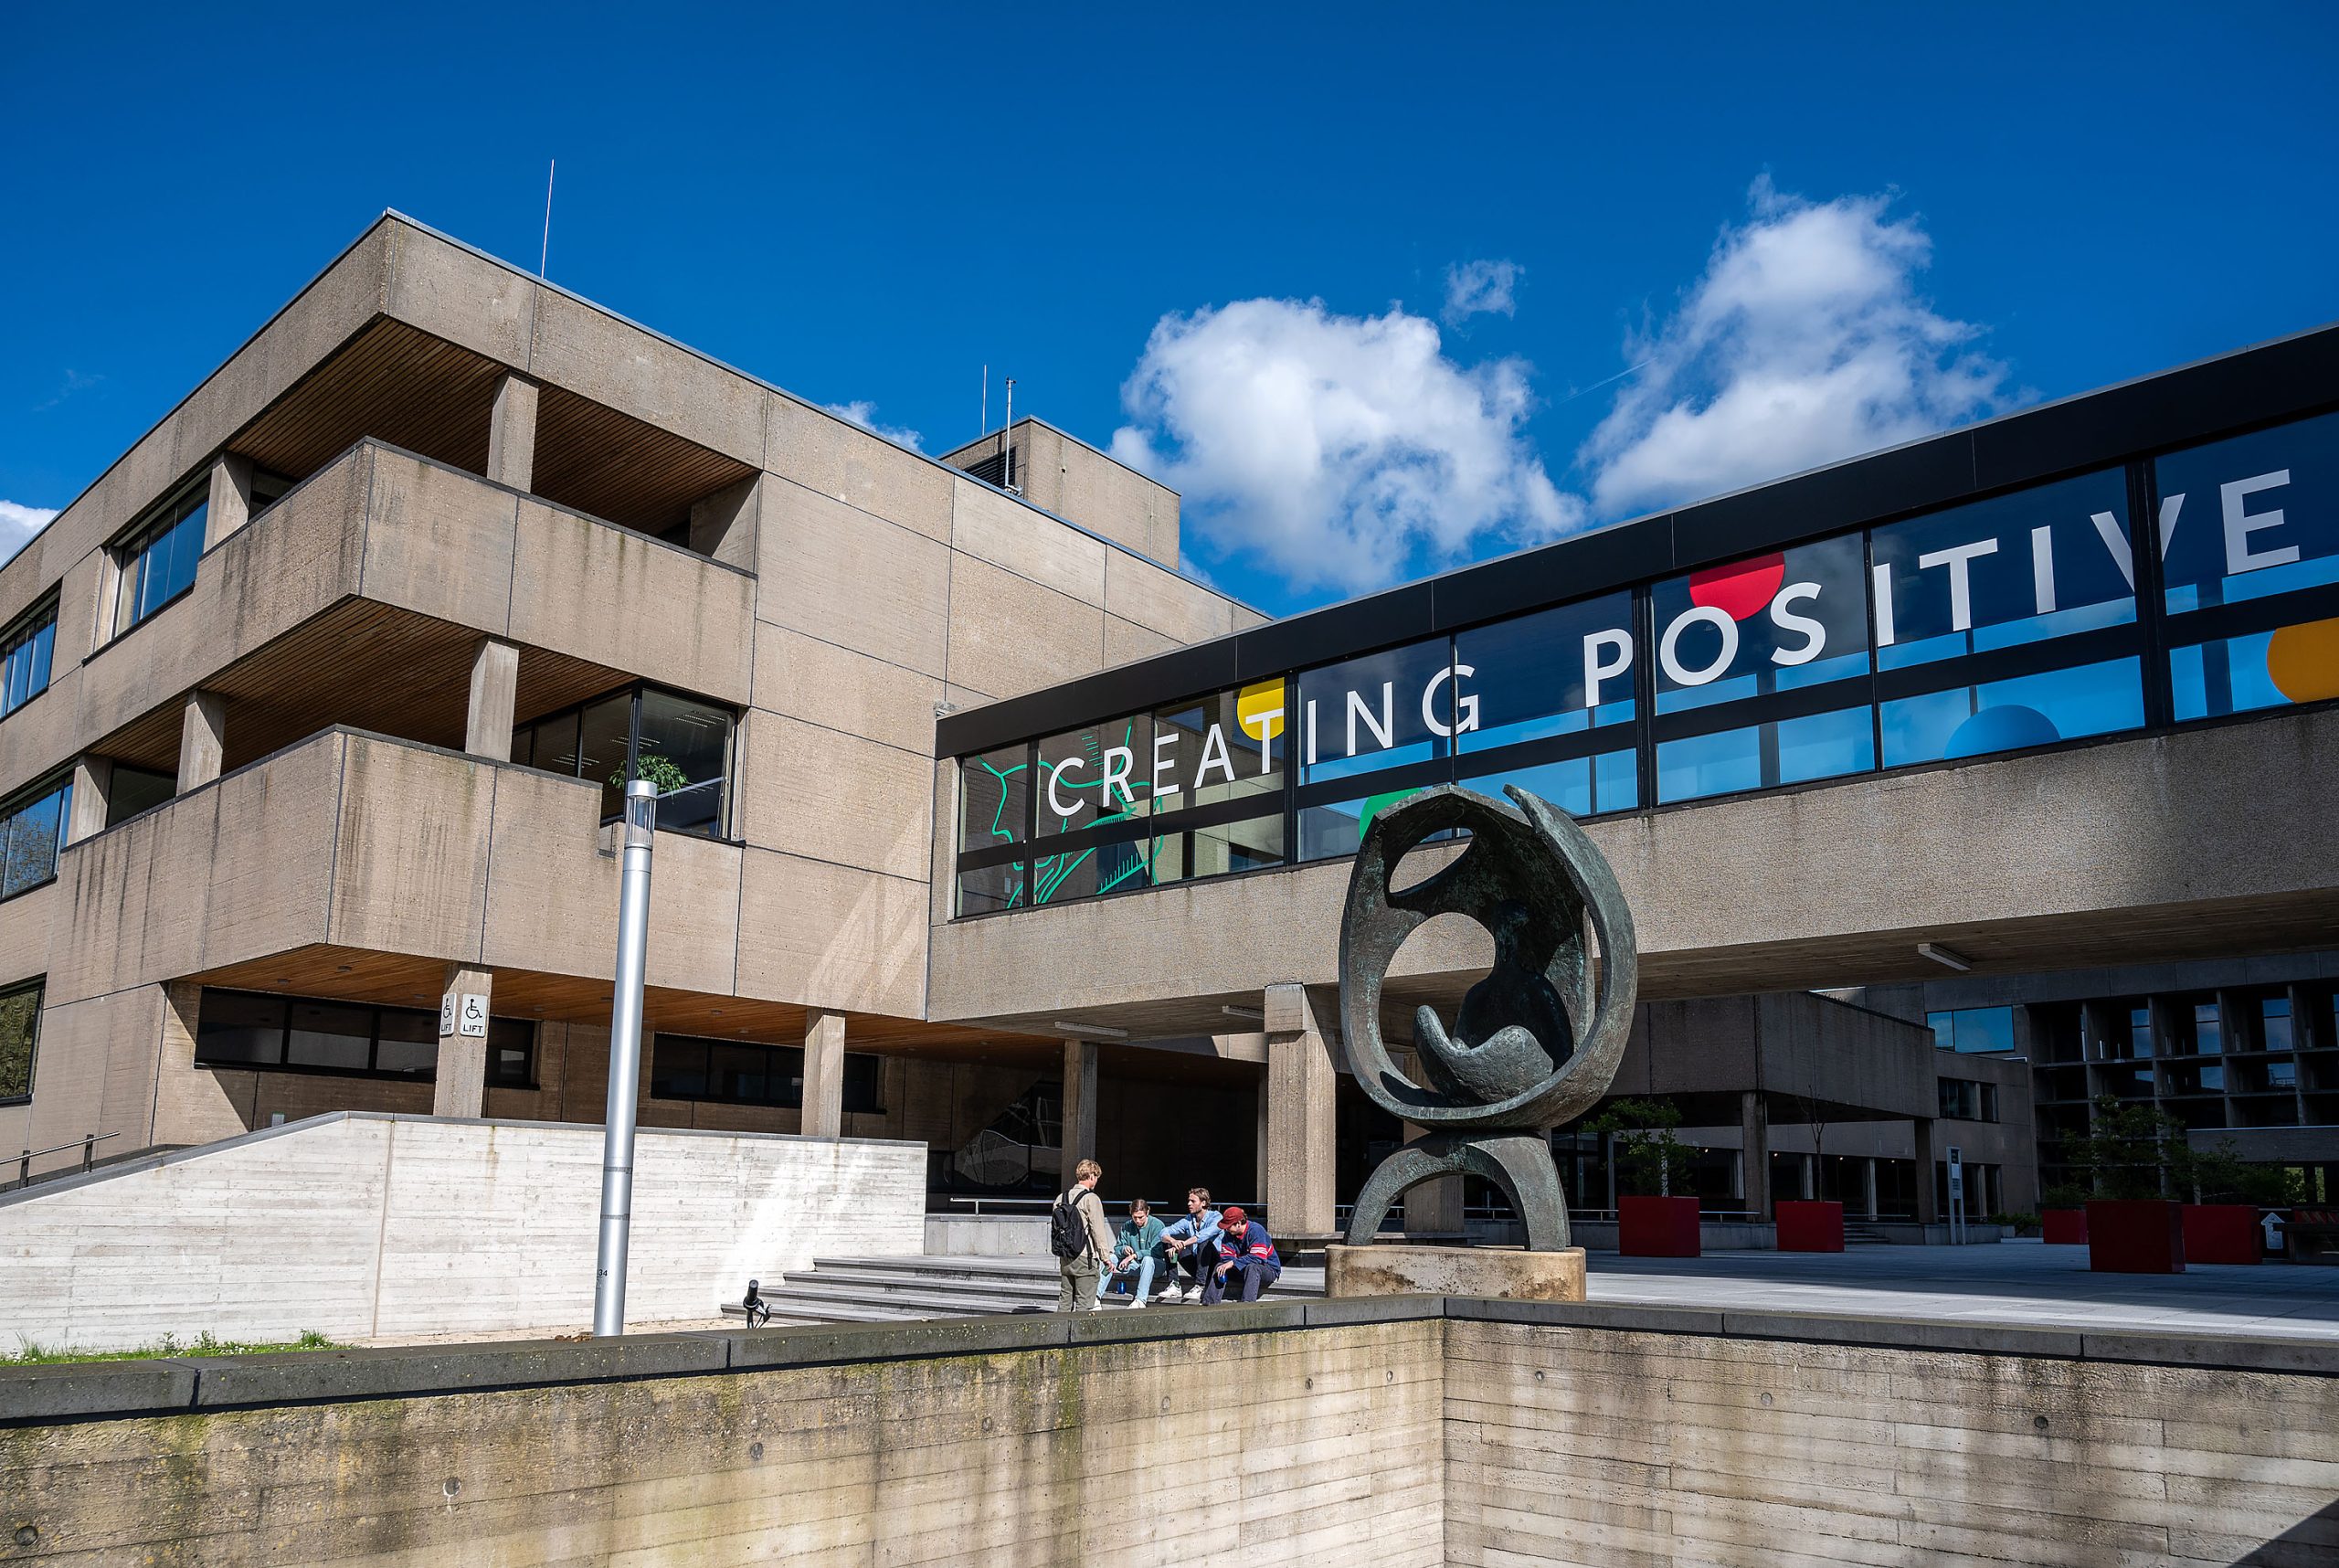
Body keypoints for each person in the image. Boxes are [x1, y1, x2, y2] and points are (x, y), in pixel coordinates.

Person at [1052, 1159, 1114, 1312]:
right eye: (1096, 1177)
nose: (1096, 1180)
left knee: (1065, 1301)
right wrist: (1105, 1257)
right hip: (1085, 1256)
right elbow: (1098, 1231)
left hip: (1065, 1256)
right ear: (1092, 1176)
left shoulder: (1060, 1198)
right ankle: (1080, 1329)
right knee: (1084, 1303)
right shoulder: (1091, 1199)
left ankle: (1059, 1327)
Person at [1155, 1187, 1223, 1303]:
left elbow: (1203, 1235)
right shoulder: (1189, 1220)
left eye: (1193, 1201)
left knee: (1204, 1242)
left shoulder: (1216, 1217)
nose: (1189, 1204)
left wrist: (1183, 1243)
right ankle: (1174, 1284)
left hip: (1214, 1266)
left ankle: (1200, 1286)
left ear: (1203, 1203)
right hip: (1197, 1265)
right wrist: (1173, 1242)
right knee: (1169, 1243)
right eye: (1188, 1201)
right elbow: (1163, 1232)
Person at [1095, 1198, 1166, 1308]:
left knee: (1147, 1260)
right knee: (1111, 1258)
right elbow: (1117, 1248)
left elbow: (1157, 1251)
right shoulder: (1127, 1225)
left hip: (1155, 1265)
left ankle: (1140, 1300)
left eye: (1141, 1217)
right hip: (1134, 1265)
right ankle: (1096, 1296)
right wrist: (1124, 1249)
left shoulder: (1157, 1225)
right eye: (1135, 1217)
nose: (1138, 1221)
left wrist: (1135, 1255)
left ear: (1147, 1212)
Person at [1201, 1205, 1280, 1304]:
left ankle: (1246, 1304)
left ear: (1238, 1224)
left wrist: (1233, 1263)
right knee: (1220, 1266)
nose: (1226, 1229)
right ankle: (1209, 1303)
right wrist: (1228, 1264)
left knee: (1253, 1267)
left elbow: (1258, 1257)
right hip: (1243, 1269)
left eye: (1229, 1226)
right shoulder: (1228, 1235)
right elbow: (1226, 1258)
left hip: (1268, 1269)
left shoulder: (1256, 1230)